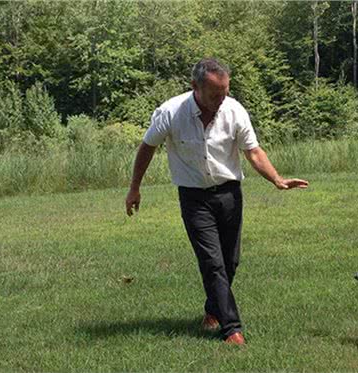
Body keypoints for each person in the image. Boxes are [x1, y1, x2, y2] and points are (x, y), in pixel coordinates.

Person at [125, 58, 308, 345]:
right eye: (214, 94)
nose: (221, 99)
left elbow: (254, 152)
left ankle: (213, 310)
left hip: (229, 193)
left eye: (224, 92)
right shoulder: (171, 113)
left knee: (230, 261)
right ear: (194, 87)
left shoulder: (234, 111)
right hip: (193, 197)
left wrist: (277, 179)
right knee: (212, 262)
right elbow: (147, 147)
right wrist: (134, 188)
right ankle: (231, 329)